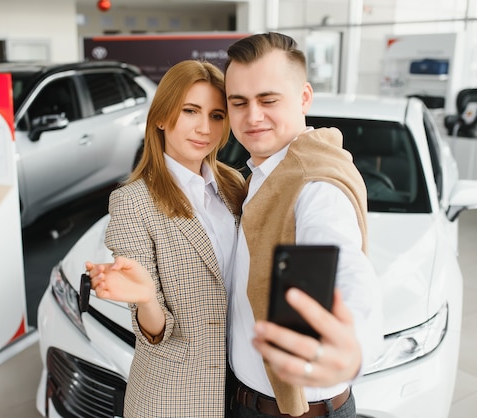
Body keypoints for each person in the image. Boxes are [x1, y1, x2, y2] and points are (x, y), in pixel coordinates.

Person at [223, 32, 383, 417]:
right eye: (238, 102)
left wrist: (353, 345)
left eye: (268, 100)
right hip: (244, 400)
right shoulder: (262, 175)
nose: (252, 116)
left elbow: (347, 268)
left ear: (305, 97)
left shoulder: (314, 185)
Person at [85, 59, 246, 417]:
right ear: (161, 117)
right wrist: (144, 299)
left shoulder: (234, 185)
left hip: (242, 387)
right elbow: (155, 333)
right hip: (176, 395)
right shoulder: (132, 202)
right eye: (190, 111)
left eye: (217, 115)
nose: (204, 127)